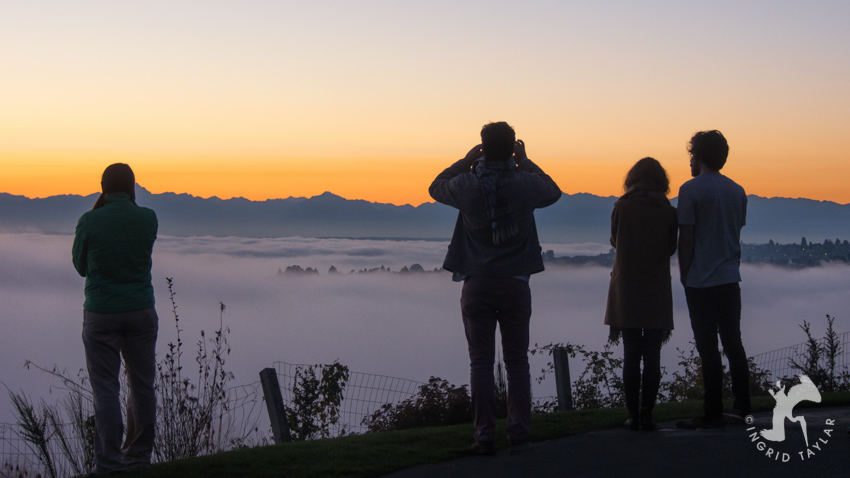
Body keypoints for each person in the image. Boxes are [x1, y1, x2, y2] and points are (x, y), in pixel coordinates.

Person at [429, 122, 561, 455]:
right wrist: (526, 160)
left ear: (483, 147)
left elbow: (435, 187)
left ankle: (484, 435)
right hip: (516, 283)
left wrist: (464, 160)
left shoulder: (467, 185)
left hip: (477, 284)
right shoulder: (526, 183)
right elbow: (553, 190)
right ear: (512, 148)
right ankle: (519, 432)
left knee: (480, 365)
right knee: (517, 363)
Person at [73, 163, 159, 475]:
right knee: (142, 386)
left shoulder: (89, 221)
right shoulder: (148, 219)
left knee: (106, 389)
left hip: (101, 313)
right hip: (141, 311)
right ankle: (138, 460)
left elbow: (80, 266)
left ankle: (109, 464)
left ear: (103, 186)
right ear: (132, 186)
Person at [675, 130, 751, 430]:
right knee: (734, 343)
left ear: (700, 156)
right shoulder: (737, 191)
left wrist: (683, 274)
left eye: (692, 154)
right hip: (730, 278)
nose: (690, 159)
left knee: (707, 347)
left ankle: (712, 410)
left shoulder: (690, 190)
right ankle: (743, 406)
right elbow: (735, 231)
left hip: (700, 280)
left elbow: (687, 238)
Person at [604, 157, 677, 431]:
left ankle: (632, 414)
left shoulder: (621, 207)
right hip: (656, 286)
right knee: (653, 356)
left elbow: (614, 240)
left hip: (627, 288)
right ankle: (648, 413)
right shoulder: (669, 211)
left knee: (631, 354)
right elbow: (671, 247)